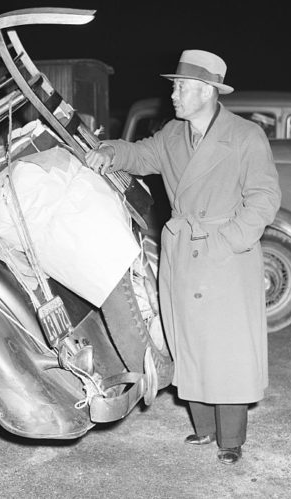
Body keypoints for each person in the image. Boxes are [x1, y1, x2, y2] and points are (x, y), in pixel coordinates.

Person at [85, 50, 281, 465]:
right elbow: (139, 155)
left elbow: (264, 200)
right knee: (189, 341)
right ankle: (204, 428)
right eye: (174, 85)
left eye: (182, 87)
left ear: (208, 92)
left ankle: (231, 439)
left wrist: (224, 242)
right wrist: (109, 152)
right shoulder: (173, 134)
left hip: (226, 254)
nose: (173, 94)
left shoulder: (246, 136)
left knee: (226, 348)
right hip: (183, 256)